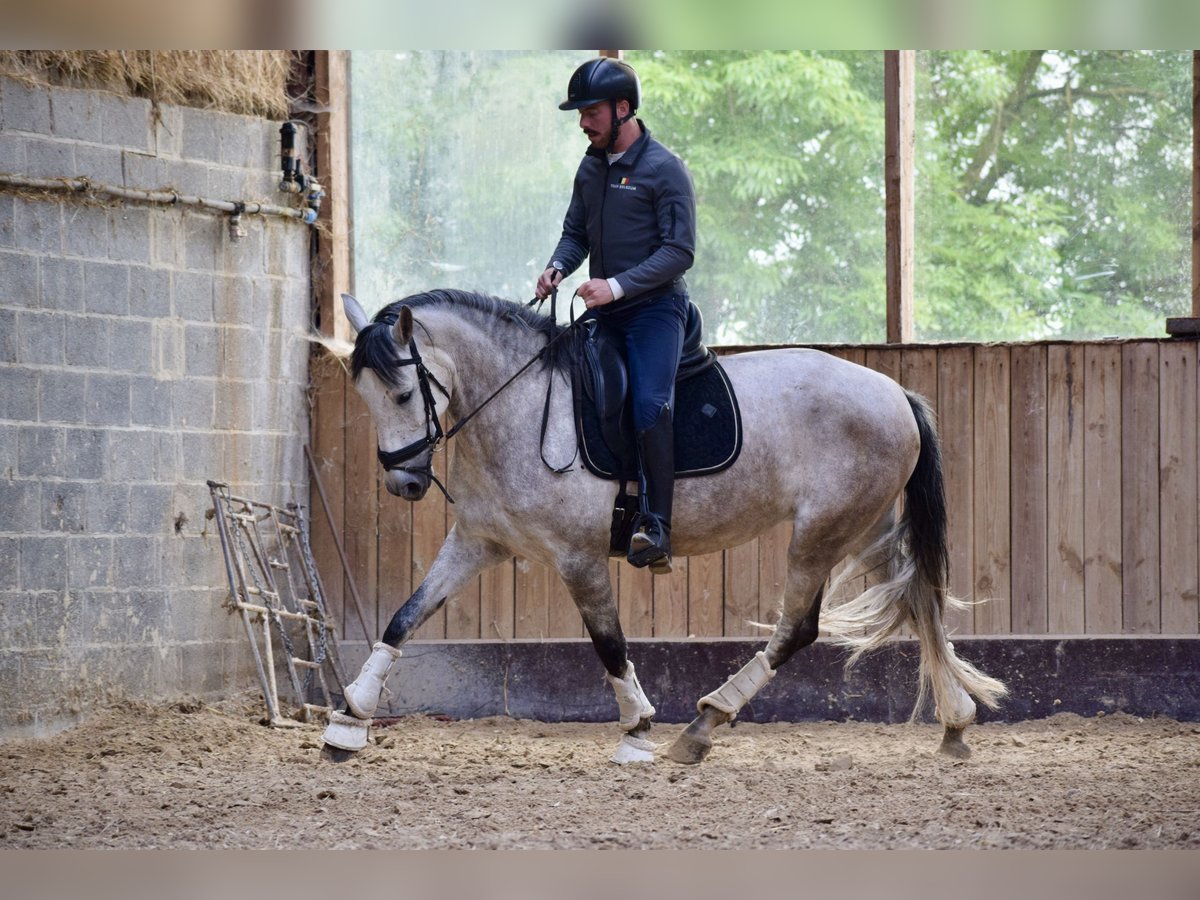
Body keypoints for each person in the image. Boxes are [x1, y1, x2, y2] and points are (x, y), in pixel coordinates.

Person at [535, 57, 696, 574]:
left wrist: (617, 286)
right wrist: (558, 266)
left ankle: (657, 525)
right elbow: (576, 232)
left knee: (649, 404)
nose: (583, 122)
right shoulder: (590, 166)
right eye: (580, 114)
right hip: (605, 315)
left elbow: (680, 251)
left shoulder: (664, 169)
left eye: (590, 112)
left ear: (622, 109)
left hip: (655, 312)